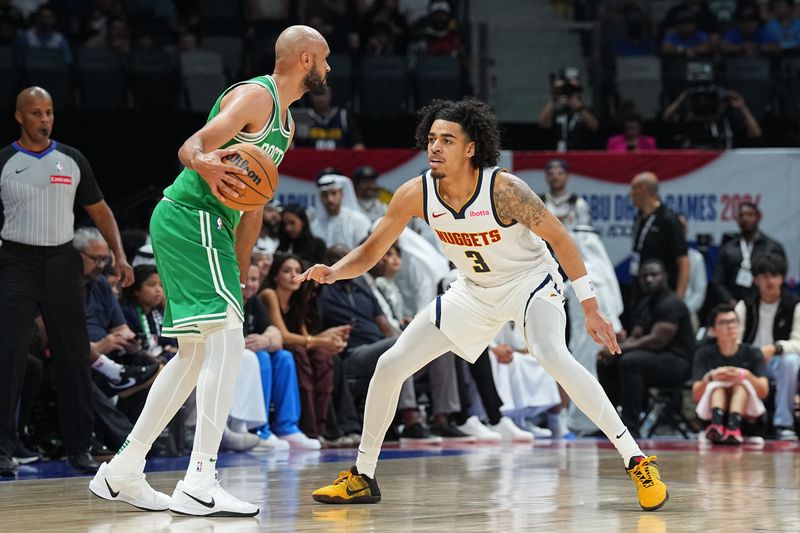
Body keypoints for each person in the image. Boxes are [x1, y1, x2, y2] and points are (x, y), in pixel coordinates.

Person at [303, 97, 668, 510]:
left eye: (447, 140)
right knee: (390, 364)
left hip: (529, 281)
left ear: (471, 148)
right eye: (431, 139)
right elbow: (371, 251)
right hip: (474, 290)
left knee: (552, 354)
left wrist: (588, 305)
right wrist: (334, 271)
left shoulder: (505, 189)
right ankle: (362, 476)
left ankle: (636, 459)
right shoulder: (415, 194)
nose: (434, 147)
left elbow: (561, 238)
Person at [90, 25, 331, 516]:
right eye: (325, 59)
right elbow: (191, 145)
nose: (329, 69)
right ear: (306, 59)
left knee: (195, 354)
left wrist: (240, 278)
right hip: (191, 215)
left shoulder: (284, 124)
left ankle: (122, 470)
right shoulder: (254, 96)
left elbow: (256, 205)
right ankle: (200, 477)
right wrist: (205, 164)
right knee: (225, 344)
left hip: (207, 227)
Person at [0, 86, 132, 477]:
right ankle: (3, 449)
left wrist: (120, 254)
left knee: (74, 356)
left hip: (61, 261)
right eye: (36, 113)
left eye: (49, 112)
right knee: (8, 357)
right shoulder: (5, 161)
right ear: (20, 117)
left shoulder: (72, 160)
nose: (44, 120)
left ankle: (80, 447)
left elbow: (100, 209)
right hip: (16, 260)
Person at [598, 259, 695, 437]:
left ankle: (630, 428)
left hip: (677, 363)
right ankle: (608, 425)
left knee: (631, 361)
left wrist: (619, 350)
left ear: (665, 277)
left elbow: (656, 341)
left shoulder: (672, 303)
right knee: (605, 362)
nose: (649, 279)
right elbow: (636, 336)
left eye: (654, 275)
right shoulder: (645, 303)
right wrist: (614, 348)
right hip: (653, 358)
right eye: (644, 276)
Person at [735, 254, 800, 441]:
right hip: (750, 362)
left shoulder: (794, 305)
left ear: (782, 278)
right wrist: (751, 355)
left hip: (778, 361)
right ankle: (733, 422)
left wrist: (775, 348)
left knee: (791, 362)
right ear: (755, 279)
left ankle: (784, 423)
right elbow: (735, 340)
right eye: (763, 276)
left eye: (774, 275)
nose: (769, 281)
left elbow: (798, 342)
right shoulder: (746, 305)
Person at [692, 304, 768, 445]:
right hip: (712, 418)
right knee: (717, 387)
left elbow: (764, 391)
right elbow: (696, 395)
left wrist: (746, 375)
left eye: (734, 321)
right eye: (723, 322)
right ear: (712, 330)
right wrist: (711, 377)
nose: (730, 326)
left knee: (741, 386)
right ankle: (717, 425)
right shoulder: (703, 354)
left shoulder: (753, 353)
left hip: (747, 420)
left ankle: (734, 426)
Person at [628, 172, 689, 303]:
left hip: (664, 295)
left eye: (633, 188)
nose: (630, 193)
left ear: (644, 189)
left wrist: (679, 298)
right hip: (641, 292)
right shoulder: (639, 218)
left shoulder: (668, 219)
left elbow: (683, 261)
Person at [712, 201, 786, 305]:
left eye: (750, 215)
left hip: (763, 303)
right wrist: (730, 301)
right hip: (732, 304)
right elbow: (717, 281)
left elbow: (780, 278)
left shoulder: (772, 247)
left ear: (758, 217)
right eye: (742, 215)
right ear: (737, 219)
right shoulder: (728, 248)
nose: (745, 219)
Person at [537, 67, 600, 152]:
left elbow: (594, 126)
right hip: (560, 155)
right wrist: (555, 97)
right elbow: (543, 123)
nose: (569, 93)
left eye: (572, 90)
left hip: (582, 154)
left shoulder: (587, 111)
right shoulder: (558, 112)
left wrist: (579, 107)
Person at [310, 172, 372, 249]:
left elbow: (366, 251)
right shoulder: (315, 226)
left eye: (333, 193)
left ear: (342, 193)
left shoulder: (358, 220)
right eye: (325, 195)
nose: (330, 199)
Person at [542, 158, 591, 230]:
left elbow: (586, 233)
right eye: (551, 174)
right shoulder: (540, 202)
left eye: (560, 173)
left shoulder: (578, 203)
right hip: (544, 241)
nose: (555, 177)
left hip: (572, 240)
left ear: (567, 176)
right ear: (546, 177)